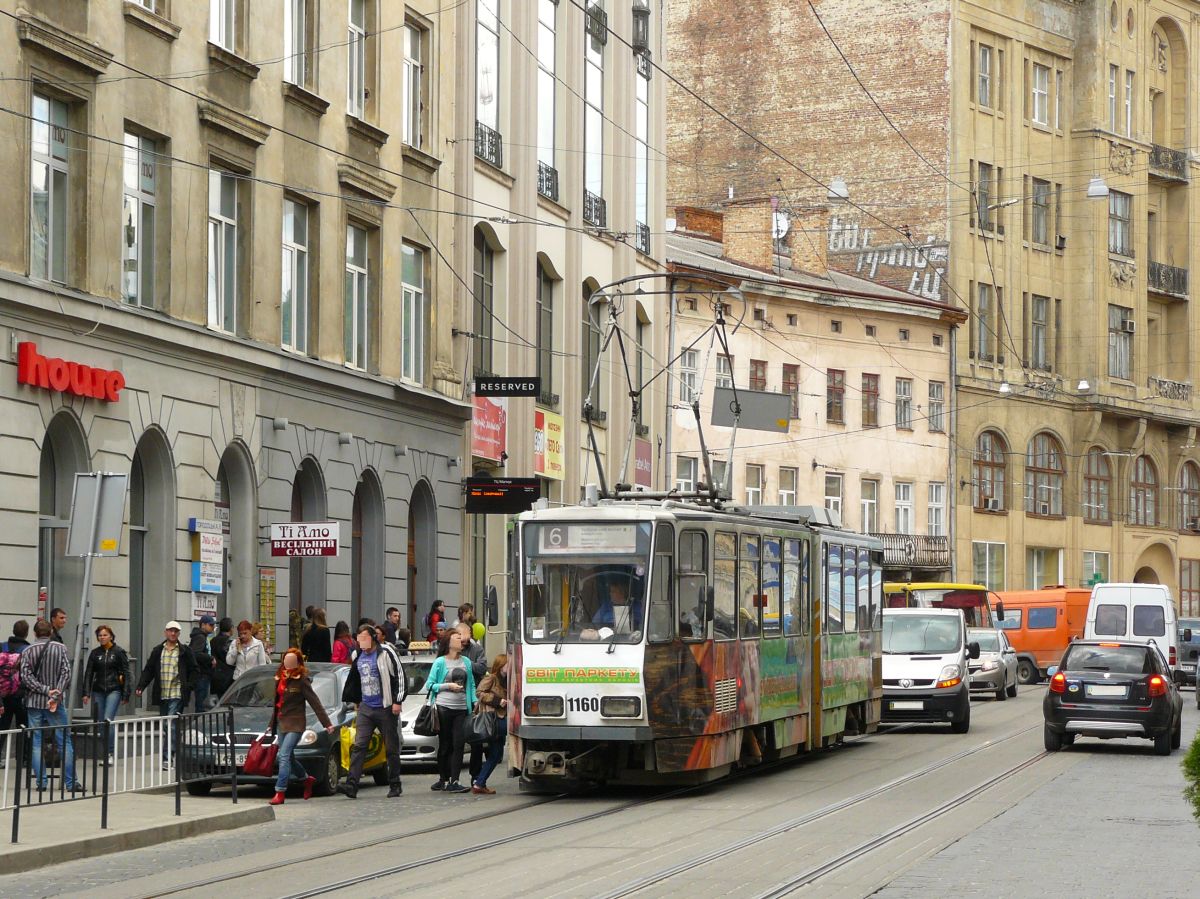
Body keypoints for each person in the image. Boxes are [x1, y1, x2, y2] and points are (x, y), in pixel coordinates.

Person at [337, 625, 405, 799]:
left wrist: (397, 701)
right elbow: (355, 679)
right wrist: (356, 700)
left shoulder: (386, 652)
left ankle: (395, 784)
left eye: (364, 638)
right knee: (359, 746)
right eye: (358, 638)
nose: (361, 642)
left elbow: (399, 675)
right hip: (366, 708)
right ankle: (352, 785)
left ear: (373, 638)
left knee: (391, 747)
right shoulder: (357, 655)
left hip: (385, 706)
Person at [268, 648, 335, 805]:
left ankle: (280, 791)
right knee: (289, 758)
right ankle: (306, 780)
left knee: (283, 755)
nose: (287, 663)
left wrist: (327, 724)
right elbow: (277, 705)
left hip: (296, 724)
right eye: (285, 660)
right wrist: (271, 724)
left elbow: (315, 702)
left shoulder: (302, 680)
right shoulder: (279, 678)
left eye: (291, 661)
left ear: (298, 663)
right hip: (282, 722)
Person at [20, 620, 79, 792]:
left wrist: (44, 690)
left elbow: (25, 676)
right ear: (51, 631)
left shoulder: (28, 651)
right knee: (64, 741)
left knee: (36, 742)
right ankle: (70, 782)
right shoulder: (60, 648)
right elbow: (66, 673)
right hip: (55, 702)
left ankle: (41, 783)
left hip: (34, 702)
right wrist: (55, 693)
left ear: (35, 633)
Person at [135, 621, 199, 768]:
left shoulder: (184, 651)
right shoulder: (158, 650)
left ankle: (167, 758)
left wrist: (189, 686)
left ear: (179, 634)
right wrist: (141, 686)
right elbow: (149, 669)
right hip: (163, 693)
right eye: (170, 631)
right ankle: (174, 752)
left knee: (169, 725)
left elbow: (195, 670)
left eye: (176, 631)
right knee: (167, 726)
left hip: (177, 693)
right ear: (165, 632)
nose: (173, 633)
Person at [426, 628, 476, 794]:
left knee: (459, 744)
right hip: (443, 707)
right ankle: (443, 778)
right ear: (448, 642)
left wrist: (474, 700)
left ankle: (454, 780)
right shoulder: (440, 662)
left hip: (462, 708)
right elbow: (430, 685)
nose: (461, 640)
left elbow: (472, 685)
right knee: (445, 744)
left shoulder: (466, 662)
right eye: (457, 637)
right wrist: (448, 686)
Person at [81, 625, 130, 764]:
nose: (102, 637)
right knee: (101, 722)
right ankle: (105, 752)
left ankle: (110, 752)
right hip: (98, 689)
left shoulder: (119, 652)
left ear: (111, 636)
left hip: (114, 689)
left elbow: (126, 672)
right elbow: (89, 673)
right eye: (100, 635)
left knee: (108, 719)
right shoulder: (95, 653)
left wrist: (126, 693)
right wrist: (86, 692)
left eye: (105, 635)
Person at [472, 653, 508, 794]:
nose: (510, 666)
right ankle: (479, 783)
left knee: (496, 754)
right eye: (507, 664)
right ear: (500, 666)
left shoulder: (509, 679)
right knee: (510, 732)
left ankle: (479, 783)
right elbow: (479, 693)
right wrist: (498, 701)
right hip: (493, 718)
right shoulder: (491, 678)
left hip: (500, 717)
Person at [457, 622, 488, 785]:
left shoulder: (476, 650)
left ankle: (475, 775)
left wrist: (467, 663)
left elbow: (482, 668)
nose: (463, 643)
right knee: (456, 741)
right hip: (455, 701)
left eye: (465, 639)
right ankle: (450, 777)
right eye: (460, 640)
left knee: (476, 740)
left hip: (472, 699)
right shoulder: (451, 648)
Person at [0, 620, 30, 765]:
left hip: (3, 694)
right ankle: (22, 758)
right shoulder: (28, 649)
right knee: (22, 726)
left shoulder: (2, 646)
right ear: (26, 633)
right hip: (20, 694)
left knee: (2, 726)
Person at [189, 615, 216, 712]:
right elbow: (196, 653)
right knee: (201, 703)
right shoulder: (200, 637)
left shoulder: (204, 637)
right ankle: (199, 722)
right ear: (203, 625)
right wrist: (210, 658)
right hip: (201, 674)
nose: (213, 627)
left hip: (204, 673)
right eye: (210, 625)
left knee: (202, 701)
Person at [210, 617, 236, 699]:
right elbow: (230, 659)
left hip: (214, 676)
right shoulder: (229, 642)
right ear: (231, 628)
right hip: (227, 678)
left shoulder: (213, 640)